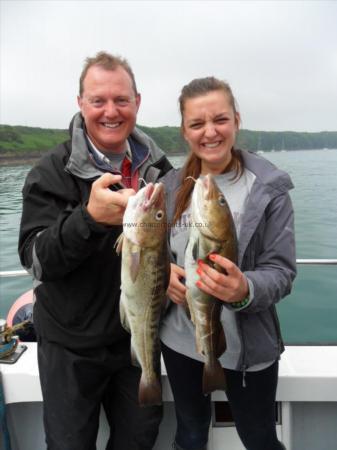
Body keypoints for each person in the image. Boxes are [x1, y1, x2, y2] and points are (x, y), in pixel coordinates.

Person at [18, 51, 172, 450]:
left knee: (139, 440)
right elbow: (36, 259)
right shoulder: (50, 172)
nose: (111, 111)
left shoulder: (160, 171)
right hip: (70, 347)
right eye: (98, 100)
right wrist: (87, 219)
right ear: (80, 104)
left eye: (121, 100)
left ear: (137, 102)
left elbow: (181, 239)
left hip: (136, 338)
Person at [160, 77, 296, 450]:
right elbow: (150, 248)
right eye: (197, 124)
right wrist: (163, 273)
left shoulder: (269, 188)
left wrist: (244, 289)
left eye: (220, 119)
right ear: (184, 132)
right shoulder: (170, 187)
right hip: (179, 341)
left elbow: (282, 272)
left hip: (248, 349)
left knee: (258, 437)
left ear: (236, 120)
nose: (210, 132)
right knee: (189, 433)